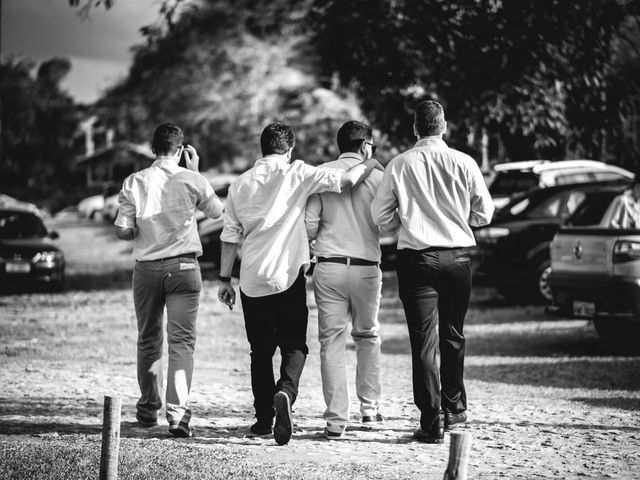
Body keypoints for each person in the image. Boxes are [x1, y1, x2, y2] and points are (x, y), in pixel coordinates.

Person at [217, 122, 384, 446]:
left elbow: (229, 237)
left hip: (252, 279)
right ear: (290, 150)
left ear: (262, 148)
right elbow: (349, 179)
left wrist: (225, 279)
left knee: (260, 352)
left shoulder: (239, 185)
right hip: (289, 276)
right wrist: (372, 162)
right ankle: (286, 392)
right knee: (295, 345)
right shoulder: (298, 173)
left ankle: (263, 420)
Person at [371, 100, 494, 443]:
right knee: (453, 334)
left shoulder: (399, 164)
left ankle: (431, 419)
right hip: (457, 258)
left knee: (423, 341)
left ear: (415, 129)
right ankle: (454, 410)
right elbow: (485, 213)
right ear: (444, 126)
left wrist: (406, 223)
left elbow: (380, 215)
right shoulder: (465, 162)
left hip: (418, 261)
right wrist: (459, 220)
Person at [114, 123, 224, 438]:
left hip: (147, 269)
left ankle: (148, 410)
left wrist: (137, 228)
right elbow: (216, 212)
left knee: (148, 340)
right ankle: (177, 415)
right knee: (182, 342)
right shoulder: (192, 179)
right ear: (180, 149)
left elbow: (121, 229)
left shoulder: (135, 181)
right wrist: (197, 171)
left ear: (153, 148)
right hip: (185, 269)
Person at [304, 120, 399, 440]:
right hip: (366, 267)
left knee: (330, 342)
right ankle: (370, 409)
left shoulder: (323, 175)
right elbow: (389, 224)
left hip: (329, 266)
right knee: (368, 335)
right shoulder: (379, 177)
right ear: (365, 146)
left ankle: (335, 421)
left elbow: (309, 226)